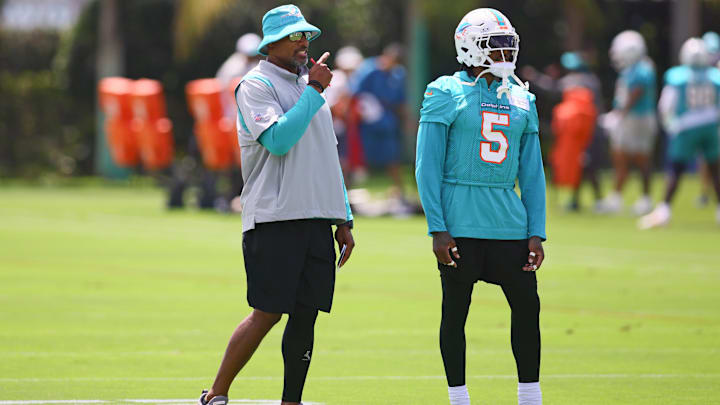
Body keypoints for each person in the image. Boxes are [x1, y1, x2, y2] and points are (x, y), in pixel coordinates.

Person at [198, 5, 355, 405]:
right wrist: (316, 91)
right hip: (274, 218)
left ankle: (292, 401)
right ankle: (216, 392)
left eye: (306, 36)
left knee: (307, 316)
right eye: (295, 36)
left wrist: (343, 217)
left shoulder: (308, 87)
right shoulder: (255, 84)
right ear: (272, 44)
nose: (304, 42)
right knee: (266, 312)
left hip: (317, 219)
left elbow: (326, 155)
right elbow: (279, 141)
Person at [416, 8, 546, 405]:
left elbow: (534, 172)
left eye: (510, 46)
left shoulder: (523, 98)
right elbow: (426, 166)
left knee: (528, 308)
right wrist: (437, 227)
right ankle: (458, 396)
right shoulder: (444, 92)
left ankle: (529, 395)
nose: (506, 54)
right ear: (470, 47)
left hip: (509, 222)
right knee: (456, 311)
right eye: (496, 46)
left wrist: (536, 231)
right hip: (460, 223)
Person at [639, 38, 720, 229]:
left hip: (686, 127)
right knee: (715, 170)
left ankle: (664, 210)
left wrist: (671, 125)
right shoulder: (715, 76)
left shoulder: (678, 77)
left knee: (675, 170)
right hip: (710, 126)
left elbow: (666, 105)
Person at [597, 30, 657, 215]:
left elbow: (636, 92)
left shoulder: (643, 68)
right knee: (620, 155)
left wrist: (619, 114)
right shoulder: (631, 69)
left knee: (640, 157)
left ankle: (645, 198)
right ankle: (617, 197)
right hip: (629, 117)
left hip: (638, 118)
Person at [353, 43, 409, 203]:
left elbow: (401, 102)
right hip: (366, 124)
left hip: (387, 124)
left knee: (393, 159)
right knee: (356, 160)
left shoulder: (398, 75)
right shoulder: (368, 69)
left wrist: (408, 121)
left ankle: (400, 196)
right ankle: (345, 197)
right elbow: (354, 95)